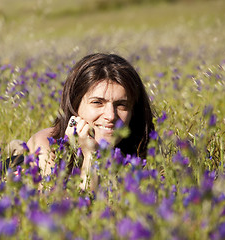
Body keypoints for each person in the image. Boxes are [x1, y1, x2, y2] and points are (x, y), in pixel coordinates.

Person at [23, 53, 154, 189]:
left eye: (121, 105)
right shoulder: (47, 145)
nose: (110, 116)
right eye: (97, 102)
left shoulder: (144, 149)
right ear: (75, 105)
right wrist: (91, 156)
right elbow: (71, 207)